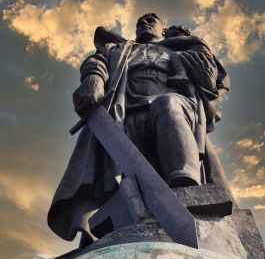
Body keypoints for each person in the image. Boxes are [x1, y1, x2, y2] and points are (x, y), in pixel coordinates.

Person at [48, 13, 230, 243]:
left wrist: (202, 66)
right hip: (124, 114)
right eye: (140, 22)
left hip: (173, 113)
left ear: (163, 30)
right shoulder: (120, 49)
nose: (144, 23)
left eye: (151, 20)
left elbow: (210, 83)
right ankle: (110, 224)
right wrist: (93, 78)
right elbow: (97, 61)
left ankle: (185, 187)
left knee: (168, 104)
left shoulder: (178, 51)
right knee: (115, 163)